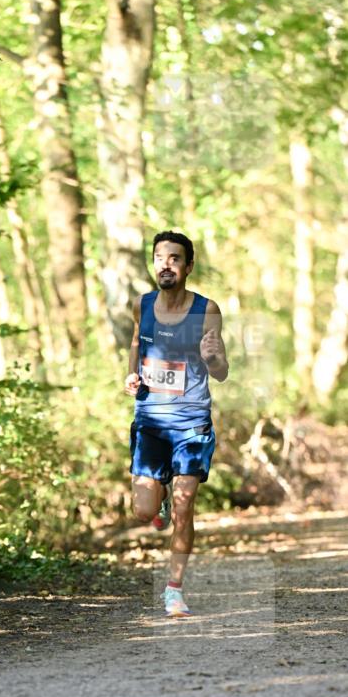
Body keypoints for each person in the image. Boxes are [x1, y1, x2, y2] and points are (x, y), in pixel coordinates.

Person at [125, 231, 228, 617]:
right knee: (141, 510)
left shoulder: (207, 310)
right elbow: (137, 343)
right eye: (159, 258)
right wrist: (131, 375)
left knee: (185, 506)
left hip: (191, 425)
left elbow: (221, 372)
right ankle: (158, 502)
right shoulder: (141, 305)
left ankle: (173, 590)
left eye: (174, 258)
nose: (165, 265)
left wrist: (213, 358)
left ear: (188, 266)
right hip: (150, 421)